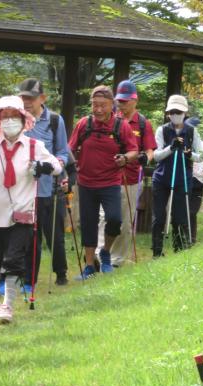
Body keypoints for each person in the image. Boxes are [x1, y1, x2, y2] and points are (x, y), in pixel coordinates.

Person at [0, 96, 62, 323]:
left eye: (14, 117)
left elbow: (58, 166)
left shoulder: (34, 146)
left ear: (23, 119)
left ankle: (7, 306)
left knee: (14, 259)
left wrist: (44, 167)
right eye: (5, 117)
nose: (10, 121)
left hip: (22, 213)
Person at [68, 86, 139, 279]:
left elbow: (134, 151)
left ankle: (106, 251)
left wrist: (124, 158)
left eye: (103, 106)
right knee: (88, 223)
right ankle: (90, 266)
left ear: (111, 106)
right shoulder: (84, 124)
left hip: (110, 182)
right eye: (94, 105)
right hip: (86, 183)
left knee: (115, 219)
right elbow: (69, 148)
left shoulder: (120, 126)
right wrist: (69, 165)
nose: (98, 110)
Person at [96, 80, 156, 267]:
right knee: (104, 217)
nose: (122, 104)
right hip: (107, 176)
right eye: (119, 101)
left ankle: (117, 259)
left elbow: (150, 150)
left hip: (130, 178)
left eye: (125, 101)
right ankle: (100, 254)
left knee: (126, 221)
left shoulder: (144, 123)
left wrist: (146, 158)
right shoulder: (110, 119)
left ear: (135, 100)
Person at [18, 78, 70, 288]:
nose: (26, 101)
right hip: (25, 189)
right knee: (30, 236)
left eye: (30, 97)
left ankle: (61, 272)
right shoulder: (17, 119)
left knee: (54, 235)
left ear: (42, 98)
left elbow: (63, 152)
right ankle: (29, 278)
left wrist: (57, 164)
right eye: (23, 97)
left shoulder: (55, 120)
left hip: (50, 187)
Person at [151, 95, 203, 255]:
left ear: (185, 113)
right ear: (168, 113)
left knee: (180, 217)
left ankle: (179, 249)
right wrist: (171, 147)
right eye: (173, 111)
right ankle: (157, 251)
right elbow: (156, 155)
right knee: (159, 217)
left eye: (179, 111)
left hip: (182, 178)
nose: (176, 114)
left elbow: (201, 156)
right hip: (162, 178)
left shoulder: (192, 131)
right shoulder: (161, 130)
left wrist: (189, 155)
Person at [186, 116, 203, 244]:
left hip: (197, 181)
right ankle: (184, 237)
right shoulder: (184, 142)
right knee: (183, 210)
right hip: (185, 179)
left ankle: (191, 239)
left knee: (191, 211)